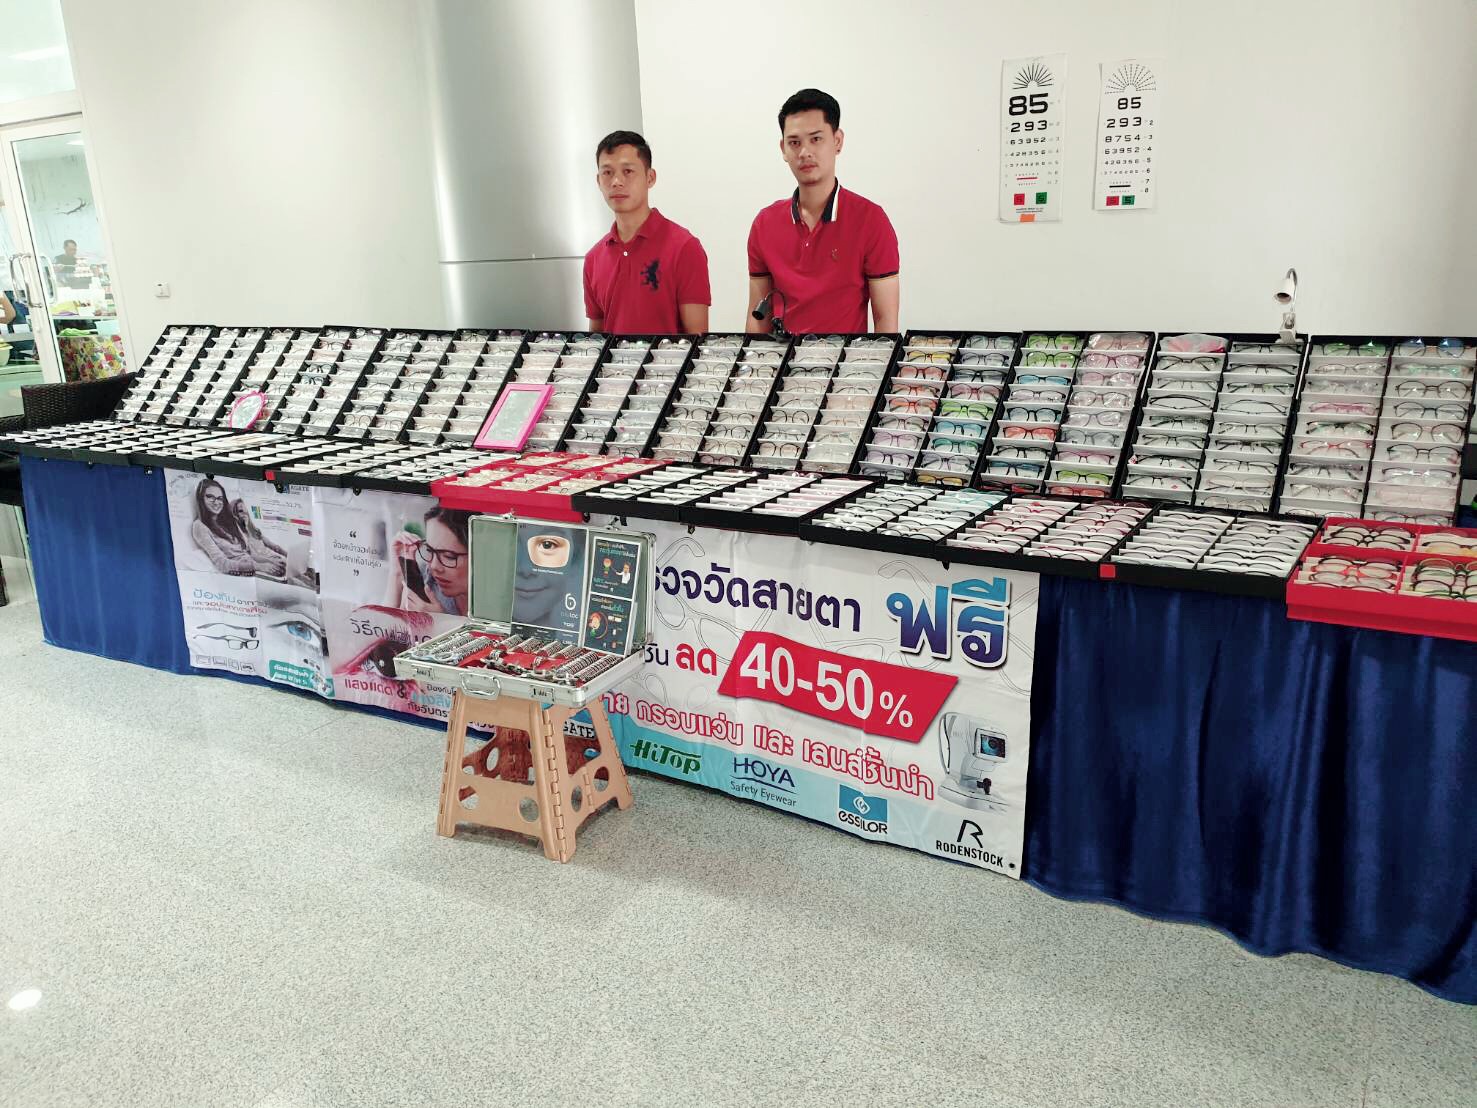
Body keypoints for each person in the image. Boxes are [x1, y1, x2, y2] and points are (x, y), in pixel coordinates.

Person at [746, 89, 900, 335]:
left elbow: (885, 322)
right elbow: (757, 318)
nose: (804, 152)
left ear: (837, 141)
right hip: (782, 355)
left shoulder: (871, 220)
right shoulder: (764, 224)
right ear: (783, 149)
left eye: (816, 139)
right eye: (794, 142)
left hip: (845, 357)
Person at [583, 130, 710, 335]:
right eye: (607, 173)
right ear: (598, 181)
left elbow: (697, 338)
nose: (616, 181)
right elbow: (596, 341)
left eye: (627, 171)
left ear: (650, 178)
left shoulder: (684, 247)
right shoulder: (593, 259)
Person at [389, 506, 471, 616]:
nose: (433, 566)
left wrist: (440, 621)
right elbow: (380, 623)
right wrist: (396, 574)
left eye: (449, 556)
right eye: (430, 551)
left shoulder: (493, 603)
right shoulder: (426, 579)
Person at [191, 479, 254, 576]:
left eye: (220, 498)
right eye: (210, 497)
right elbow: (222, 564)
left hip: (255, 564)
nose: (216, 502)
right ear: (201, 499)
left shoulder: (229, 520)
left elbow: (248, 548)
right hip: (243, 572)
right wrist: (256, 566)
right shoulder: (199, 526)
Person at [232, 498, 289, 579]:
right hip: (266, 563)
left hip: (275, 559)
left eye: (246, 510)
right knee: (289, 576)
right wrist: (271, 561)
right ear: (235, 515)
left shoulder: (255, 530)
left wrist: (288, 555)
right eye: (241, 511)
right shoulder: (239, 536)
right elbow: (253, 555)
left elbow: (274, 547)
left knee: (297, 571)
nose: (245, 513)